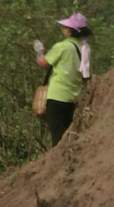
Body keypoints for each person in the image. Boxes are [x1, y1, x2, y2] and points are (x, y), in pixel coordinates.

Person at [34, 12, 92, 147]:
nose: (64, 29)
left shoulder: (62, 46)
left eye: (66, 27)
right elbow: (86, 76)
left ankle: (57, 166)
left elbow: (43, 63)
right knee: (68, 134)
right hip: (74, 99)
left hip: (57, 97)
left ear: (69, 31)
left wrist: (39, 51)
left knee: (57, 138)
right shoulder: (83, 49)